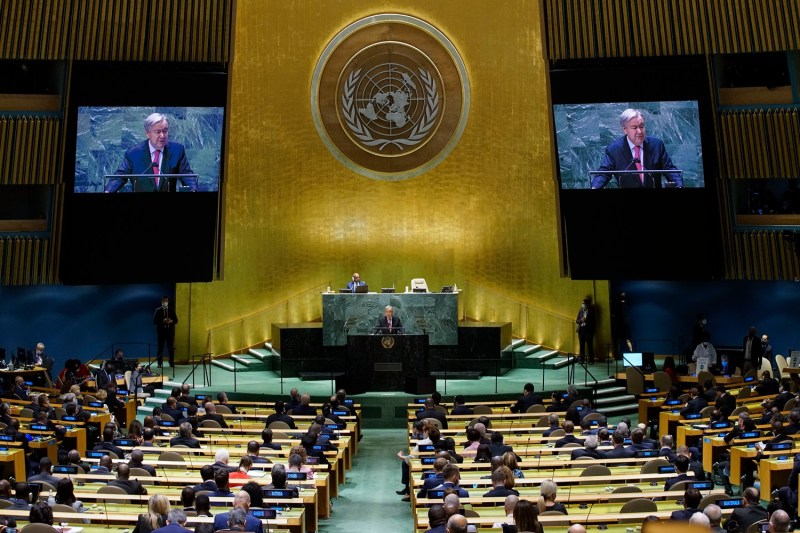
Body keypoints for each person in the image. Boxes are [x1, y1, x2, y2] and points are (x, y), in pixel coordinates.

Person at [591, 108, 682, 189]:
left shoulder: (657, 145)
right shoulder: (614, 149)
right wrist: (595, 187)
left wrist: (679, 185)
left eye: (642, 126)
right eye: (634, 127)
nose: (640, 131)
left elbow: (670, 170)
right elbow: (603, 173)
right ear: (625, 129)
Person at [105, 112, 197, 193]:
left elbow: (187, 174)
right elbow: (120, 176)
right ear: (148, 133)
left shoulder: (177, 150)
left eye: (165, 131)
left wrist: (193, 189)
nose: (162, 136)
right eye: (158, 132)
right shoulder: (133, 153)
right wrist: (108, 190)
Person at [153, 296, 178, 368]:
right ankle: (159, 363)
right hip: (161, 332)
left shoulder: (171, 310)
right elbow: (154, 321)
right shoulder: (158, 310)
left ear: (168, 302)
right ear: (161, 302)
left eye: (166, 301)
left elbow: (176, 320)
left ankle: (171, 362)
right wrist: (162, 321)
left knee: (171, 347)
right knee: (160, 347)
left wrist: (171, 321)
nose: (165, 302)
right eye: (164, 301)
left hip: (169, 332)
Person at [610, 291, 633, 359]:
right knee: (622, 340)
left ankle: (630, 353)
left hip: (622, 325)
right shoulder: (622, 304)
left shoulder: (620, 304)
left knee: (622, 340)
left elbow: (617, 315)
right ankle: (629, 353)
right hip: (622, 325)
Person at [575, 297, 595, 364]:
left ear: (587, 304)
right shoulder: (580, 310)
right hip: (581, 330)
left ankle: (591, 360)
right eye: (582, 303)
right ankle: (582, 360)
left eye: (584, 303)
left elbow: (594, 321)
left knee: (589, 345)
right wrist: (581, 320)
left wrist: (586, 320)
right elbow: (577, 320)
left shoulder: (591, 310)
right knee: (581, 345)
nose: (582, 305)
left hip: (589, 330)